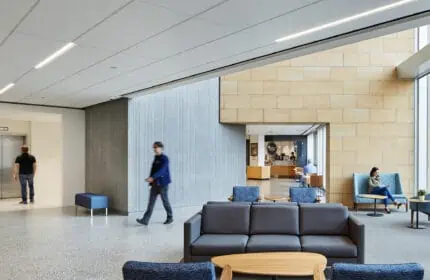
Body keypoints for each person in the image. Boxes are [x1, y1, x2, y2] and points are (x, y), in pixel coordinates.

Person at [137, 142, 173, 225]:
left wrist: (153, 178)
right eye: (154, 147)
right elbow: (153, 170)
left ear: (161, 148)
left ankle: (170, 217)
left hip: (163, 184)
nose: (154, 149)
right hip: (154, 184)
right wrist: (150, 182)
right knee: (151, 202)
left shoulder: (165, 158)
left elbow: (162, 170)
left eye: (156, 147)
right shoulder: (156, 158)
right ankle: (145, 220)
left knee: (165, 201)